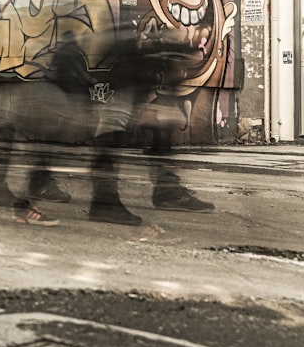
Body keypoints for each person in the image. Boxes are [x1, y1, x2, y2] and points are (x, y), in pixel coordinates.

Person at [88, 33, 213, 226]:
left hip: (130, 81)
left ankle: (166, 192)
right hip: (121, 83)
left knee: (160, 126)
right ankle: (104, 201)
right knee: (113, 127)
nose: (184, 75)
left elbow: (158, 105)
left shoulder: (160, 63)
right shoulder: (143, 65)